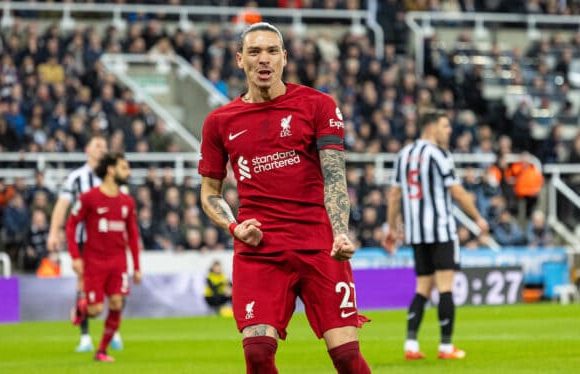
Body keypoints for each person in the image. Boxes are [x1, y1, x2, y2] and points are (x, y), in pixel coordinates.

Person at [198, 22, 371, 374]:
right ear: (240, 60)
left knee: (347, 357)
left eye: (272, 51)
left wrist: (340, 231)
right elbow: (209, 194)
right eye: (255, 52)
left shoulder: (317, 105)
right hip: (260, 249)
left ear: (284, 58)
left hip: (319, 243)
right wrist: (234, 226)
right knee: (258, 353)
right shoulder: (219, 121)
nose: (264, 60)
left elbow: (335, 175)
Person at [383, 109, 489, 361]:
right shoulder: (439, 154)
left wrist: (390, 228)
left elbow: (395, 195)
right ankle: (445, 347)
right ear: (430, 127)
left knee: (422, 289)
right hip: (441, 231)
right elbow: (457, 191)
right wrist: (477, 217)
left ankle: (410, 345)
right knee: (445, 288)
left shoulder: (404, 155)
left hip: (417, 235)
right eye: (445, 126)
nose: (448, 131)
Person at [46, 134, 123, 352]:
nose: (102, 149)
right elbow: (62, 206)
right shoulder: (76, 178)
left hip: (110, 242)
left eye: (105, 146)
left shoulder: (113, 175)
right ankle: (85, 337)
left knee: (112, 287)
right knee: (84, 285)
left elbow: (123, 207)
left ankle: (112, 331)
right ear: (87, 150)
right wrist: (54, 231)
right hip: (85, 241)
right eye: (97, 145)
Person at [65, 152, 141, 362]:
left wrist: (136, 266)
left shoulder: (127, 201)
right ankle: (81, 309)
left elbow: (133, 235)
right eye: (124, 167)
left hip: (118, 262)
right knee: (95, 310)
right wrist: (75, 256)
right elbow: (71, 225)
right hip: (94, 261)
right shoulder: (88, 198)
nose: (129, 172)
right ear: (111, 170)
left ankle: (101, 351)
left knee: (117, 304)